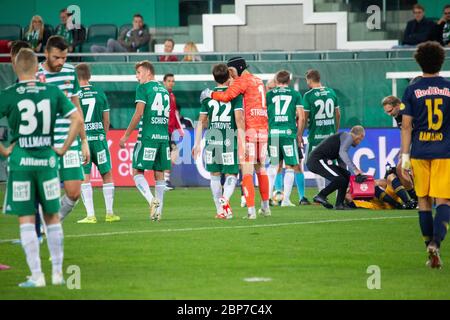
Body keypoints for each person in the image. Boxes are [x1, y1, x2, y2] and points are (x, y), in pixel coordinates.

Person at [0, 48, 82, 287]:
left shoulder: (10, 93)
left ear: (15, 68)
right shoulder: (52, 91)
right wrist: (64, 147)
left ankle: (37, 276)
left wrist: (4, 150)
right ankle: (57, 274)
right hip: (47, 160)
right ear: (37, 68)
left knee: (26, 218)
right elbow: (76, 119)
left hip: (21, 163)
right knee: (52, 217)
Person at [201, 56, 270, 219]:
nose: (231, 75)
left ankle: (251, 211)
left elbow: (225, 96)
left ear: (237, 68)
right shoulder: (259, 81)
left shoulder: (243, 81)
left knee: (246, 170)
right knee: (261, 168)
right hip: (263, 129)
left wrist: (209, 93)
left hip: (249, 130)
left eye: (231, 71)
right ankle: (265, 207)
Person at [400, 41, 450, 269]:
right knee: (444, 201)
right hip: (445, 153)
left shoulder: (411, 90)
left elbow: (407, 126)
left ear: (419, 62)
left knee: (423, 201)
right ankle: (436, 244)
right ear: (442, 61)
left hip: (419, 152)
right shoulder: (449, 87)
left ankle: (428, 247)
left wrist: (404, 157)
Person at [37, 36, 90, 222]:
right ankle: (42, 229)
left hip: (70, 141)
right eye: (56, 57)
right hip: (43, 143)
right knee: (43, 194)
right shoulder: (35, 75)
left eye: (64, 58)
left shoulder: (70, 72)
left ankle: (47, 224)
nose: (60, 62)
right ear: (46, 54)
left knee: (74, 193)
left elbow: (77, 107)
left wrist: (84, 141)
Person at [119, 61, 171, 221]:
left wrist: (126, 135)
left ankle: (151, 201)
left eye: (139, 72)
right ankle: (158, 212)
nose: (137, 76)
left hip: (148, 136)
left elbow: (138, 113)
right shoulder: (164, 90)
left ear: (148, 72)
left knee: (136, 171)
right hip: (163, 137)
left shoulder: (143, 88)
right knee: (159, 173)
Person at [192, 64, 244, 219]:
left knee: (214, 175)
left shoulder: (208, 96)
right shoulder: (235, 95)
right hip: (229, 138)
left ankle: (220, 211)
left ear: (214, 77)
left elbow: (201, 121)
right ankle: (225, 199)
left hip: (212, 139)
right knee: (231, 174)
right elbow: (239, 120)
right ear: (229, 77)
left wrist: (196, 143)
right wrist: (242, 143)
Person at [75, 63, 119, 223]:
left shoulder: (75, 95)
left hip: (83, 141)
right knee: (106, 174)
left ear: (76, 77)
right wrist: (102, 134)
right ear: (89, 76)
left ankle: (90, 215)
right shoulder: (100, 93)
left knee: (85, 176)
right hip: (99, 140)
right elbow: (106, 119)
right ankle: (109, 213)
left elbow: (73, 120)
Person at [266, 70, 309, 207]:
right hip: (288, 134)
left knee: (274, 166)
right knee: (290, 166)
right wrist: (299, 134)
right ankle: (285, 200)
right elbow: (302, 117)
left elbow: (263, 115)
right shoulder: (295, 94)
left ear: (276, 81)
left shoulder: (268, 94)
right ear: (289, 81)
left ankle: (266, 199)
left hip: (273, 134)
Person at [299, 69, 341, 194]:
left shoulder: (308, 95)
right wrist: (335, 130)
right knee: (331, 165)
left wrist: (300, 134)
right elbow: (337, 114)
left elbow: (304, 117)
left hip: (315, 136)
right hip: (330, 136)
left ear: (309, 80)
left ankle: (322, 191)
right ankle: (340, 191)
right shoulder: (331, 92)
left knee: (314, 164)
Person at [306, 126, 366, 210]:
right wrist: (356, 170)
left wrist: (347, 177)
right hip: (317, 160)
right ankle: (321, 195)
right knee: (339, 179)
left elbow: (341, 160)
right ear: (360, 136)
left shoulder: (343, 140)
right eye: (360, 140)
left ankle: (339, 204)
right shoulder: (348, 136)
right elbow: (342, 153)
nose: (359, 142)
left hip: (322, 160)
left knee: (346, 175)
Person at [381, 95, 418, 203]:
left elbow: (408, 132)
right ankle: (416, 197)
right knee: (401, 169)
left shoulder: (405, 112)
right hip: (416, 144)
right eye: (386, 112)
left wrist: (404, 151)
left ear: (397, 105)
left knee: (401, 169)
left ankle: (416, 198)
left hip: (421, 143)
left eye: (390, 110)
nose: (389, 114)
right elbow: (405, 134)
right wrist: (402, 151)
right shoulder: (398, 114)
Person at [163, 73, 184, 190]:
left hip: (169, 130)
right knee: (173, 152)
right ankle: (164, 180)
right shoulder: (164, 95)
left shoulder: (172, 95)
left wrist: (178, 128)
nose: (171, 83)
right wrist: (180, 129)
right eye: (169, 81)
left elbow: (174, 114)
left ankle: (164, 180)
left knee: (171, 153)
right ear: (164, 82)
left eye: (173, 81)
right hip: (164, 129)